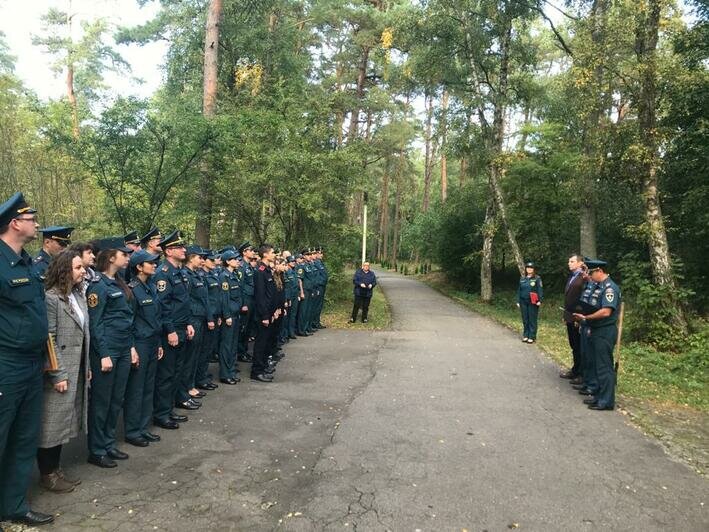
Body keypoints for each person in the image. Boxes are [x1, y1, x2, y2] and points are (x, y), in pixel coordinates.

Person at [0, 192, 54, 527]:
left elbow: (34, 315)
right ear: (15, 223)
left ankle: (14, 505)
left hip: (33, 364)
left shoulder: (27, 263)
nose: (36, 224)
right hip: (6, 364)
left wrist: (47, 357)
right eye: (31, 219)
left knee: (24, 437)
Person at [36, 249, 90, 493]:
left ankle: (56, 469)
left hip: (76, 366)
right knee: (52, 424)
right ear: (64, 270)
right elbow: (49, 339)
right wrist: (57, 373)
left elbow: (84, 334)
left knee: (63, 424)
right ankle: (47, 474)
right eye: (78, 268)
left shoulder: (76, 296)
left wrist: (86, 367)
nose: (83, 271)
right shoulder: (51, 298)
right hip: (60, 371)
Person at [86, 237, 135, 468]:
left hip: (124, 348)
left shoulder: (119, 282)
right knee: (102, 402)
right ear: (111, 257)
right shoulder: (98, 286)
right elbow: (95, 324)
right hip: (107, 351)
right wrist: (103, 353)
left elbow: (127, 318)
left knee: (117, 399)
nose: (128, 256)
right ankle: (96, 449)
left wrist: (131, 347)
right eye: (124, 253)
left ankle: (108, 443)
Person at [152, 231, 195, 429]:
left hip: (181, 326)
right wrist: (170, 330)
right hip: (170, 330)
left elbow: (182, 303)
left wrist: (186, 323)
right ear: (169, 251)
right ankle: (161, 414)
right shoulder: (163, 273)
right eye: (180, 247)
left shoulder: (179, 272)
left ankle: (169, 409)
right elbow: (163, 306)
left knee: (177, 371)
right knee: (167, 374)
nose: (184, 250)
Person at [123, 250, 164, 447]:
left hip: (152, 342)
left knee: (149, 386)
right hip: (139, 343)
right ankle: (132, 431)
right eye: (151, 262)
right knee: (136, 389)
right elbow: (128, 323)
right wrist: (131, 348)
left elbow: (156, 318)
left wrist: (159, 344)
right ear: (139, 267)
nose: (155, 265)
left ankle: (143, 427)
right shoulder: (131, 290)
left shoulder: (152, 287)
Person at [572, 259, 621, 411]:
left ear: (600, 271)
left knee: (604, 367)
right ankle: (599, 396)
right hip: (595, 329)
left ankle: (606, 401)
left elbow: (606, 311)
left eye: (592, 272)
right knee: (596, 364)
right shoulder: (599, 286)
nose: (590, 276)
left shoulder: (610, 288)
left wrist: (586, 318)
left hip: (605, 331)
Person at [251, 244, 277, 382]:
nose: (274, 254)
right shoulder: (260, 271)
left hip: (270, 312)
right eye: (272, 252)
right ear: (265, 254)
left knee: (266, 342)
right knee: (261, 343)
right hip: (263, 314)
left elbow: (270, 294)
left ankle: (263, 366)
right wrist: (265, 315)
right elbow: (260, 296)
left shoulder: (267, 270)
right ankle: (256, 371)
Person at [218, 250, 243, 385]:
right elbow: (224, 298)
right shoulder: (224, 277)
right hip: (229, 316)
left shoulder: (234, 275)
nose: (237, 261)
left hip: (236, 313)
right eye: (234, 259)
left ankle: (231, 370)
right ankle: (225, 373)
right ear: (227, 261)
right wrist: (226, 315)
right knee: (226, 345)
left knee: (233, 345)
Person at [560, 254, 587, 380]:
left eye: (572, 261)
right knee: (574, 344)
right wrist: (565, 316)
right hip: (570, 316)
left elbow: (584, 299)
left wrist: (580, 317)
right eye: (568, 261)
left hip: (578, 317)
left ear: (580, 263)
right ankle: (575, 369)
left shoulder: (584, 277)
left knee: (580, 345)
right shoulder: (572, 276)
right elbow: (568, 298)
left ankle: (582, 372)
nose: (569, 263)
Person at [516, 261, 543, 343]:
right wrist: (517, 301)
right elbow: (519, 290)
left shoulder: (537, 278)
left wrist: (540, 300)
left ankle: (532, 336)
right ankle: (526, 335)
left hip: (533, 302)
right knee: (525, 319)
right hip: (523, 301)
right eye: (528, 268)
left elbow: (540, 290)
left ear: (534, 269)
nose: (529, 269)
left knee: (532, 319)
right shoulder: (523, 278)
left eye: (531, 268)